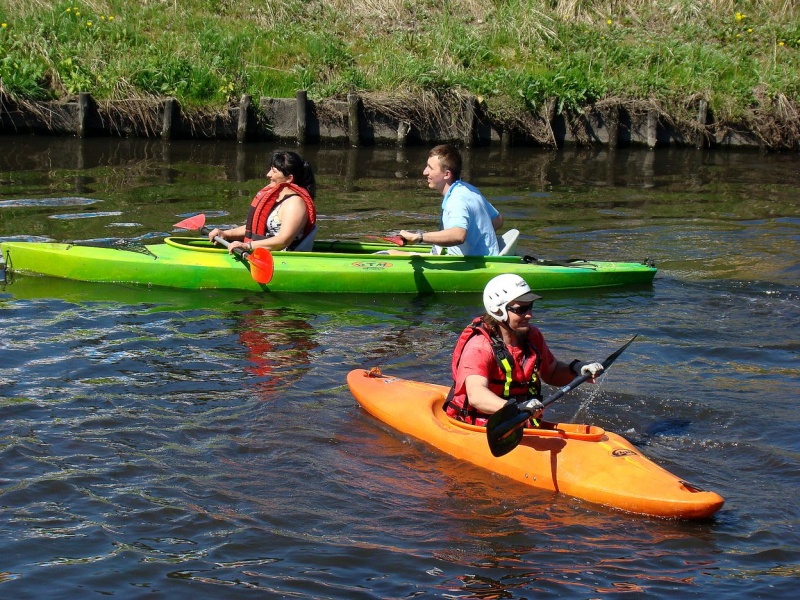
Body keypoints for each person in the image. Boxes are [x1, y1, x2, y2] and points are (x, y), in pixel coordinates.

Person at [444, 274, 605, 427]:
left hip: (519, 420)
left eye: (530, 307)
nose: (529, 315)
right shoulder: (479, 347)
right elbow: (476, 395)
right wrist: (517, 407)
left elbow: (552, 372)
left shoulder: (532, 336)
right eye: (521, 310)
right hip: (481, 425)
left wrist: (577, 370)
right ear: (498, 310)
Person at [390, 144, 503, 256]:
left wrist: (419, 237)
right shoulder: (468, 189)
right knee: (392, 252)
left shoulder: (456, 200)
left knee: (389, 255)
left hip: (469, 266)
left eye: (430, 167)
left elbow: (458, 235)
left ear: (447, 174)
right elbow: (497, 220)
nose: (425, 172)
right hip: (482, 258)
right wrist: (475, 239)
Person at [208, 149, 317, 253]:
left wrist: (247, 246)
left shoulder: (295, 203)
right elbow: (254, 227)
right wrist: (225, 233)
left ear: (289, 178)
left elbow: (283, 240)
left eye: (274, 171)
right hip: (263, 253)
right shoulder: (277, 198)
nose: (268, 174)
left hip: (284, 259)